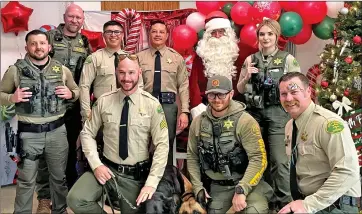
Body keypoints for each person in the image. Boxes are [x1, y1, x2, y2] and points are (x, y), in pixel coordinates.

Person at [67, 54, 169, 214]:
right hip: (106, 169)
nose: (126, 78)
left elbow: (162, 146)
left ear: (139, 73)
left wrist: (151, 183)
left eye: (131, 73)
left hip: (133, 176)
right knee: (76, 199)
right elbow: (87, 134)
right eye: (121, 72)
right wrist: (96, 165)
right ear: (116, 72)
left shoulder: (152, 105)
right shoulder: (103, 101)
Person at [0, 29, 79, 214]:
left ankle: (60, 210)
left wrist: (71, 94)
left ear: (49, 47)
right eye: (33, 43)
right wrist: (12, 97)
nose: (38, 47)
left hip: (57, 132)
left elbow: (77, 91)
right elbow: (1, 94)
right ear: (27, 46)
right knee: (26, 180)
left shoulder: (61, 69)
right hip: (29, 133)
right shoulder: (15, 70)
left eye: (42, 43)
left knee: (59, 178)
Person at [236, 18, 301, 210]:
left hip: (278, 113)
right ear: (257, 37)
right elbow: (239, 88)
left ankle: (286, 205)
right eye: (262, 34)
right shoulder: (250, 59)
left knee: (280, 161)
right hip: (254, 114)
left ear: (277, 36)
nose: (265, 38)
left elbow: (297, 86)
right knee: (255, 159)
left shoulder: (287, 59)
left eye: (270, 34)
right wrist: (247, 74)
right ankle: (261, 202)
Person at [187, 75, 273, 213]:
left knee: (253, 211)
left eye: (221, 95)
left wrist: (242, 189)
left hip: (249, 185)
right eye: (212, 95)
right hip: (218, 188)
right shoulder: (198, 122)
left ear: (231, 94)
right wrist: (198, 187)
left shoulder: (245, 121)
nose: (216, 100)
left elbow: (259, 159)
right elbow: (192, 157)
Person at [277, 72, 361, 213]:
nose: (289, 98)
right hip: (310, 203)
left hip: (335, 205)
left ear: (308, 91)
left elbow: (347, 171)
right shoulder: (290, 126)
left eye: (294, 92)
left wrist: (308, 205)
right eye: (283, 94)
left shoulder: (328, 123)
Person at [36, 4, 92, 212]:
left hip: (73, 105)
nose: (75, 21)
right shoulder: (49, 37)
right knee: (44, 152)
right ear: (64, 17)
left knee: (69, 151)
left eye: (79, 17)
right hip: (48, 105)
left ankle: (66, 195)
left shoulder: (84, 42)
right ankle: (44, 197)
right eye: (71, 16)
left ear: (82, 20)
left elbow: (88, 74)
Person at [137, 20, 189, 165]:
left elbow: (183, 86)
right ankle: (143, 177)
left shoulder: (177, 58)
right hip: (145, 105)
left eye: (161, 32)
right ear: (149, 34)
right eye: (154, 31)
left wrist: (184, 112)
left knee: (166, 143)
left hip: (167, 106)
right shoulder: (139, 58)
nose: (157, 34)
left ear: (167, 35)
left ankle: (167, 179)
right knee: (142, 141)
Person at [189, 12, 242, 119]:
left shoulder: (241, 52)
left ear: (228, 33)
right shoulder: (201, 54)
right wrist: (196, 105)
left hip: (235, 105)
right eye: (213, 32)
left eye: (221, 32)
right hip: (207, 106)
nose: (217, 36)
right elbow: (193, 83)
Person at [79, 20, 127, 122]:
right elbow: (84, 86)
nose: (113, 35)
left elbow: (138, 85)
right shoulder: (94, 58)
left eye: (117, 32)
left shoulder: (130, 59)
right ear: (103, 35)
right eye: (109, 32)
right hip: (101, 111)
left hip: (126, 109)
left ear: (122, 35)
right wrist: (86, 113)